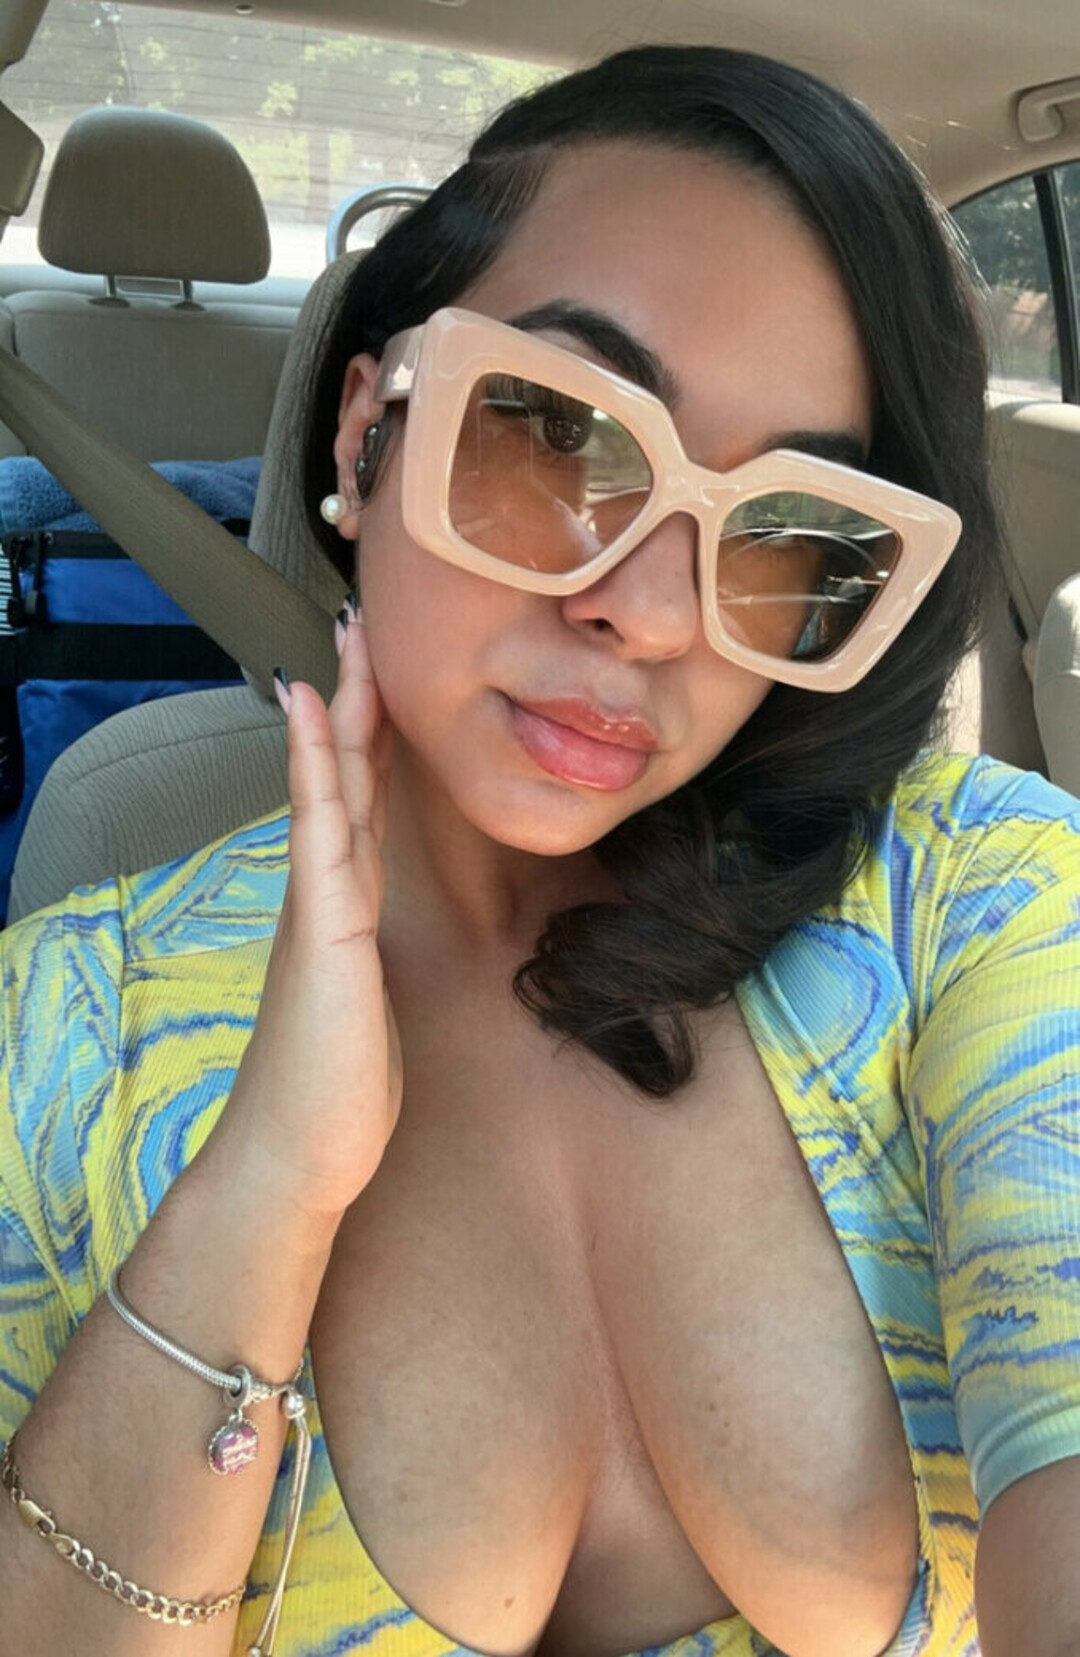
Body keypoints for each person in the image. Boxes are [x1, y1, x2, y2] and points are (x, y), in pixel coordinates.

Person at [1, 41, 1078, 1657]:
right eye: (558, 433)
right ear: (364, 435)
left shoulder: (984, 902)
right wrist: (269, 1179)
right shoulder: (63, 1026)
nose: (648, 611)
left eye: (786, 530)